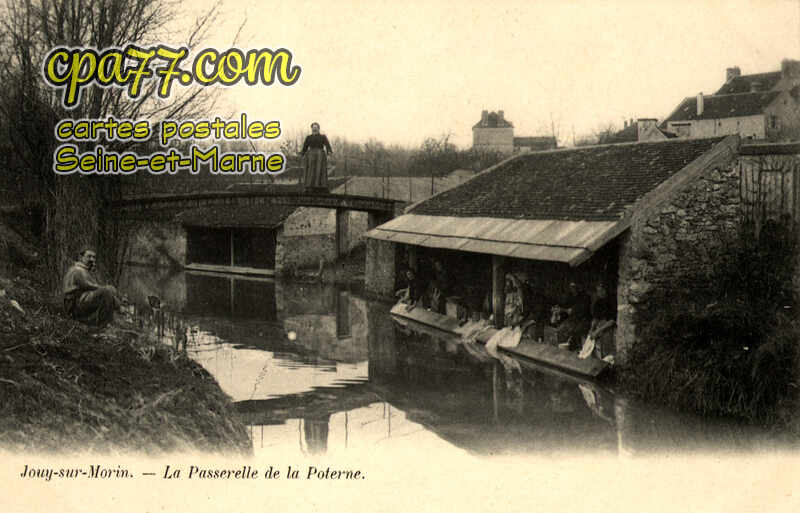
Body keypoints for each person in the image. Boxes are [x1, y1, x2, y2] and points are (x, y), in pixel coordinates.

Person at [63, 248, 120, 327]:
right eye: (89, 256)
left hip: (80, 302)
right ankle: (104, 325)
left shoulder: (85, 270)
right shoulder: (77, 270)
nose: (92, 259)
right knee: (106, 292)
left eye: (94, 257)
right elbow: (87, 285)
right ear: (81, 258)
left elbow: (93, 286)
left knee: (108, 291)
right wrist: (107, 288)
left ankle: (108, 323)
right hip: (73, 306)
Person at [300, 122, 333, 191]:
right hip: (311, 156)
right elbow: (305, 147)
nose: (314, 129)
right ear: (311, 129)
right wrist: (302, 154)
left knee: (319, 169)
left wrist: (329, 152)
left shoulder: (323, 137)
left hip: (320, 155)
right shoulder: (308, 137)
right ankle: (309, 186)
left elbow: (327, 145)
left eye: (316, 128)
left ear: (318, 129)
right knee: (310, 170)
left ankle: (321, 186)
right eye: (313, 128)